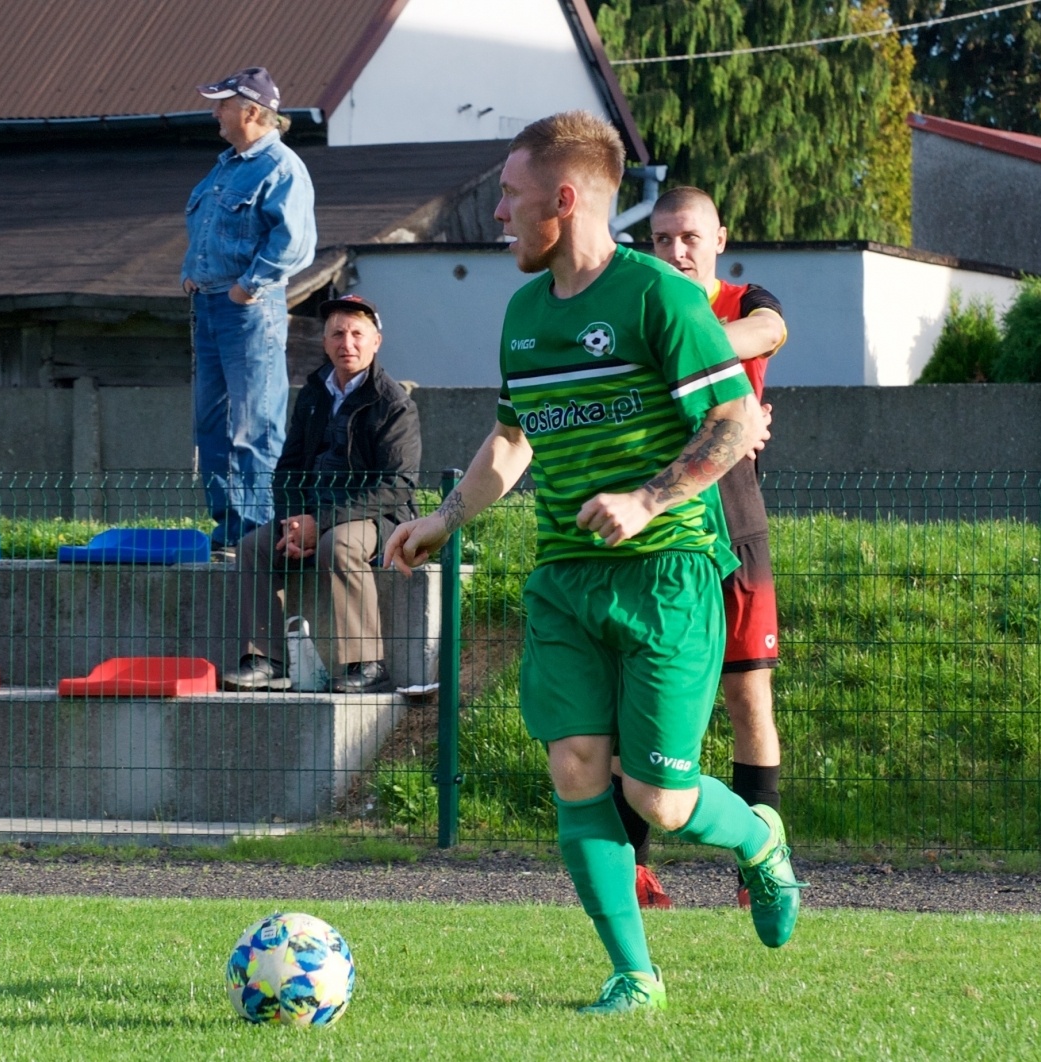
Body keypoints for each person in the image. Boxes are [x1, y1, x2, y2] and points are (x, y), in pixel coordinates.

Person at [385, 112, 802, 1015]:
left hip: (667, 574)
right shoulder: (524, 314)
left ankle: (762, 843)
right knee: (576, 771)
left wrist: (648, 498)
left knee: (660, 800)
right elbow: (511, 443)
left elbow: (733, 424)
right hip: (566, 580)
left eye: (509, 194)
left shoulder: (660, 298)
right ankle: (634, 976)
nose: (497, 212)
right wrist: (445, 519)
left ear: (563, 200)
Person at [613, 186, 790, 911]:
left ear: (720, 236)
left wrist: (695, 362)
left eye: (689, 237)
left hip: (732, 505)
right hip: (656, 511)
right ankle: (632, 868)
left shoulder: (745, 301)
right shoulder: (642, 301)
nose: (676, 251)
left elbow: (768, 332)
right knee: (633, 695)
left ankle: (761, 862)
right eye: (661, 240)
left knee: (749, 690)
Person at [223, 294, 420, 695]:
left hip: (379, 519)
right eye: (337, 333)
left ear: (376, 341)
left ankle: (367, 664)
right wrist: (294, 523)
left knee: (338, 546)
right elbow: (288, 468)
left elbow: (398, 486)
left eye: (357, 334)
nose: (347, 343)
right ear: (325, 342)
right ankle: (267, 661)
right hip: (312, 515)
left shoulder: (394, 404)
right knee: (250, 548)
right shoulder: (314, 393)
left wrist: (321, 524)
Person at [182, 66, 317, 547]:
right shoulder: (226, 165)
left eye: (223, 104)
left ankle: (257, 532)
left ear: (253, 112)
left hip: (249, 309)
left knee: (253, 424)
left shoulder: (281, 166)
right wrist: (192, 275)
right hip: (211, 306)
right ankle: (228, 529)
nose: (215, 112)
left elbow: (296, 243)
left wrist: (248, 286)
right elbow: (206, 230)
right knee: (211, 423)